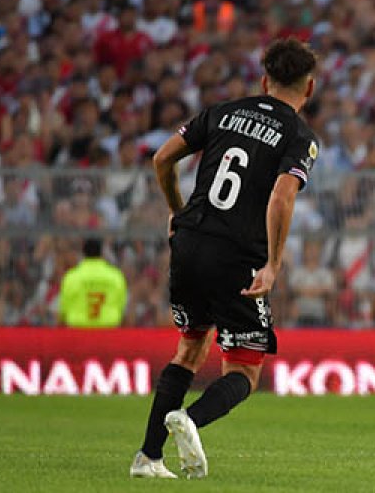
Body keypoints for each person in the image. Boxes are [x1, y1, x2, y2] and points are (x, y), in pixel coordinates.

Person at [130, 38, 320, 479]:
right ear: (308, 89)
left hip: (191, 242)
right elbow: (282, 196)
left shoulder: (222, 111)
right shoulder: (299, 135)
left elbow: (162, 158)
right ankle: (190, 421)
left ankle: (148, 458)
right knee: (245, 370)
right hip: (236, 256)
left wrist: (178, 211)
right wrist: (273, 263)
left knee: (189, 348)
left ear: (263, 80)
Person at [58, 238, 127, 328]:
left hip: (78, 331)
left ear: (83, 253)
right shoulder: (116, 276)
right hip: (108, 331)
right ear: (101, 253)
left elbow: (63, 312)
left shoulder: (71, 277)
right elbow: (121, 309)